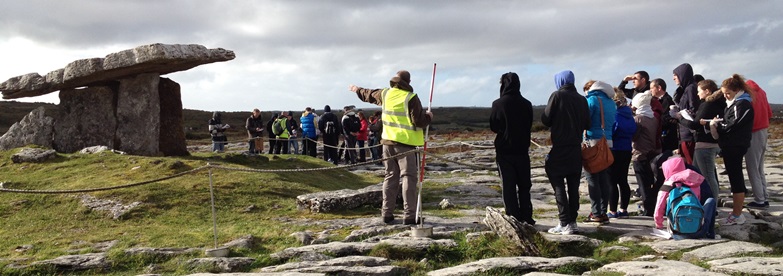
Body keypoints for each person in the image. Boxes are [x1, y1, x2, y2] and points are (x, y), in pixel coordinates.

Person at [349, 70, 433, 225]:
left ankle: (386, 213)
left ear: (395, 81)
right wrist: (429, 117)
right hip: (405, 144)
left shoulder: (385, 94)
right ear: (408, 82)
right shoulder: (411, 98)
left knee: (390, 176)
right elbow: (419, 121)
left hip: (387, 143)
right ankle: (410, 215)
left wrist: (356, 89)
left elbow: (368, 93)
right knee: (408, 177)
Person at [542, 70, 590, 235]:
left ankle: (564, 222)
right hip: (576, 148)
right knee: (573, 185)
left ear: (560, 81)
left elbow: (546, 119)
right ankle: (573, 221)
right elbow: (587, 123)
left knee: (557, 183)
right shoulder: (582, 99)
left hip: (560, 147)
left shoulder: (557, 96)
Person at [490, 72, 535, 225]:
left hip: (505, 150)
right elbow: (529, 124)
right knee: (524, 185)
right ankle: (527, 215)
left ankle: (513, 215)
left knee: (508, 185)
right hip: (522, 150)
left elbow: (494, 126)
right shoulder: (527, 104)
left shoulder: (498, 104)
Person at [710, 74, 755, 225]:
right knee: (734, 177)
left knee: (736, 179)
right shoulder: (734, 103)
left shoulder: (743, 104)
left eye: (727, 93)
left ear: (737, 90)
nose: (725, 96)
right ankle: (736, 212)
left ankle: (737, 215)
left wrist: (717, 125)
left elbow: (733, 124)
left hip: (736, 145)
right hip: (730, 145)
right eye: (723, 94)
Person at [680, 80, 725, 199]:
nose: (698, 94)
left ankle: (712, 206)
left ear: (707, 91)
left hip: (705, 145)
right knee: (697, 174)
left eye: (699, 91)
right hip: (712, 143)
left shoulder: (707, 104)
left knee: (708, 176)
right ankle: (701, 201)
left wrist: (680, 118)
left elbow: (695, 125)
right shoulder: (720, 103)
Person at [654, 157, 717, 239]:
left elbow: (659, 208)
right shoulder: (693, 180)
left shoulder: (666, 186)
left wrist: (659, 226)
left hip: (675, 230)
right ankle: (710, 233)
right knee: (711, 201)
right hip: (698, 230)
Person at [582, 80, 617, 224]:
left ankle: (596, 213)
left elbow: (585, 120)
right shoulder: (611, 102)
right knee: (603, 178)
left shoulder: (592, 100)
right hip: (607, 140)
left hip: (593, 141)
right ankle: (603, 211)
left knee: (592, 178)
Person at [631, 91, 661, 216]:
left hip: (639, 153)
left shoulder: (638, 119)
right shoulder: (653, 118)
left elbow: (634, 136)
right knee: (650, 181)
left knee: (642, 184)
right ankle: (653, 206)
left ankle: (648, 209)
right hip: (652, 152)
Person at [607, 89, 636, 219]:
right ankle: (623, 209)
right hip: (626, 149)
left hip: (615, 149)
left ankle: (612, 210)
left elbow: (612, 131)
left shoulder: (615, 116)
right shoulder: (629, 115)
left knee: (612, 181)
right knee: (623, 180)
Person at [745, 79, 772, 209]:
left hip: (754, 131)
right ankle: (764, 196)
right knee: (759, 167)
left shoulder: (748, 95)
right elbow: (769, 113)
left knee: (752, 167)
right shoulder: (762, 92)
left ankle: (759, 199)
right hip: (764, 130)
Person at [673, 63, 700, 164]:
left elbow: (694, 109)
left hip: (688, 133)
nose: (673, 78)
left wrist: (678, 114)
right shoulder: (685, 89)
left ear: (682, 75)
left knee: (691, 163)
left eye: (675, 75)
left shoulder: (691, 88)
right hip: (684, 132)